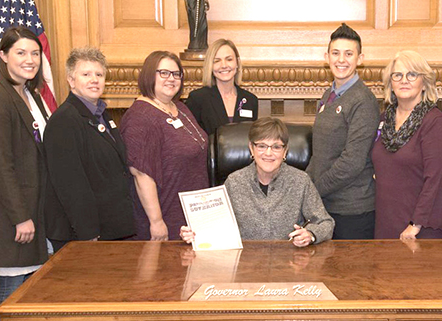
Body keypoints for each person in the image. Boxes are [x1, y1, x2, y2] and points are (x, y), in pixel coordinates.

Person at [0, 27, 50, 321]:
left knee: (29, 294)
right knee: (10, 293)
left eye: (34, 53)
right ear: (3, 56)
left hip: (35, 212)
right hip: (12, 218)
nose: (29, 60)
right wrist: (20, 216)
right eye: (20, 53)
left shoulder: (31, 95)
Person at [180, 117, 335, 247]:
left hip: (289, 265)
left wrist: (311, 234)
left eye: (276, 147)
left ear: (285, 151)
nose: (268, 153)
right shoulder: (234, 182)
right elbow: (214, 226)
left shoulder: (300, 181)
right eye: (261, 146)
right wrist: (194, 232)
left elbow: (326, 223)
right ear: (251, 149)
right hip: (243, 266)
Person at [43, 47, 135, 252]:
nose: (94, 79)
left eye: (99, 74)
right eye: (86, 74)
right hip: (82, 234)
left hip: (110, 227)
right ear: (71, 80)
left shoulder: (102, 114)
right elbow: (69, 183)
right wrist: (88, 233)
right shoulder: (64, 120)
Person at [120, 51, 209, 241]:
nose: (172, 79)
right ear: (149, 74)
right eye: (164, 73)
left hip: (189, 215)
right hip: (164, 218)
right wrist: (157, 221)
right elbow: (141, 174)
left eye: (176, 74)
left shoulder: (180, 108)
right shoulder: (141, 117)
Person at [305, 23, 379, 239]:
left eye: (349, 54)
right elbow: (320, 154)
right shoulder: (328, 95)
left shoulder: (364, 100)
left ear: (360, 58)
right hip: (326, 206)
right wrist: (305, 186)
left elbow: (352, 162)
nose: (341, 60)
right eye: (336, 53)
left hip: (352, 211)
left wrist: (314, 190)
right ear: (326, 56)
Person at [371, 50, 442, 239]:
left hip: (420, 228)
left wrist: (416, 224)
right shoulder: (384, 120)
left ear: (424, 83)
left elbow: (437, 179)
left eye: (412, 74)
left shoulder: (434, 122)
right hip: (386, 222)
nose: (404, 80)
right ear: (390, 83)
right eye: (397, 75)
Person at [185, 39, 258, 135]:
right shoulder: (197, 99)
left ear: (237, 63)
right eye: (217, 61)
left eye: (229, 59)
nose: (224, 65)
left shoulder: (251, 100)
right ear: (210, 66)